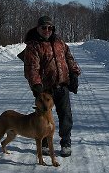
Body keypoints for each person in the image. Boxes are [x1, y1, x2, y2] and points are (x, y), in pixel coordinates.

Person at [20, 15, 81, 157]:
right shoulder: (33, 46)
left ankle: (66, 143)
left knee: (66, 116)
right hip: (45, 90)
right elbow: (31, 68)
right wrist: (36, 85)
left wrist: (74, 73)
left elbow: (69, 58)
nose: (47, 30)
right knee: (44, 118)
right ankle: (45, 144)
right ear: (38, 28)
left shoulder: (59, 42)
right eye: (44, 27)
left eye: (50, 28)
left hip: (62, 86)